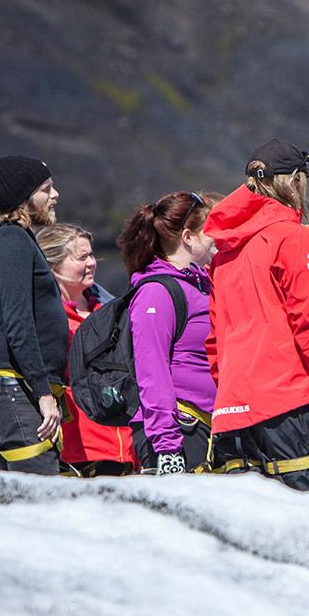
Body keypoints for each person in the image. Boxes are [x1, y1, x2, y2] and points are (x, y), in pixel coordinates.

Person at [203, 139, 309, 491]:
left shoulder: (225, 250)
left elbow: (214, 340)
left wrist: (231, 391)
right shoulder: (294, 238)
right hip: (286, 405)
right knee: (306, 526)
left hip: (231, 411)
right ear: (296, 181)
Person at [0, 155, 68, 473]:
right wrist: (42, 393)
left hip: (20, 387)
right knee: (42, 505)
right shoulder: (11, 241)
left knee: (29, 506)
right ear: (24, 198)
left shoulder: (21, 241)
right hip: (15, 389)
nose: (55, 196)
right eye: (46, 189)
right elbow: (18, 321)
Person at [117, 192, 217, 476]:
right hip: (181, 432)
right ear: (188, 236)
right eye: (210, 229)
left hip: (205, 429)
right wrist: (168, 447)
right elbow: (152, 370)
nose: (216, 237)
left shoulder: (199, 285)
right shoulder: (156, 292)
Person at [37, 223, 136, 477]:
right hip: (79, 444)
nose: (92, 262)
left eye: (92, 255)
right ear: (52, 265)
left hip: (125, 441)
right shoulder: (44, 317)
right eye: (82, 257)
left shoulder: (109, 311)